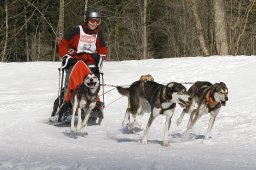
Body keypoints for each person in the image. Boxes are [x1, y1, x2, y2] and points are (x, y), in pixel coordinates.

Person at [49, 7, 108, 124]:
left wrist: (100, 57)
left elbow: (103, 49)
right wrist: (66, 56)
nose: (94, 24)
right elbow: (63, 44)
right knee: (72, 82)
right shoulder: (76, 31)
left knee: (93, 84)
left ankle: (92, 106)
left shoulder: (98, 34)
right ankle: (65, 104)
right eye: (92, 21)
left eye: (97, 21)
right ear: (86, 20)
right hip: (75, 61)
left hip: (91, 64)